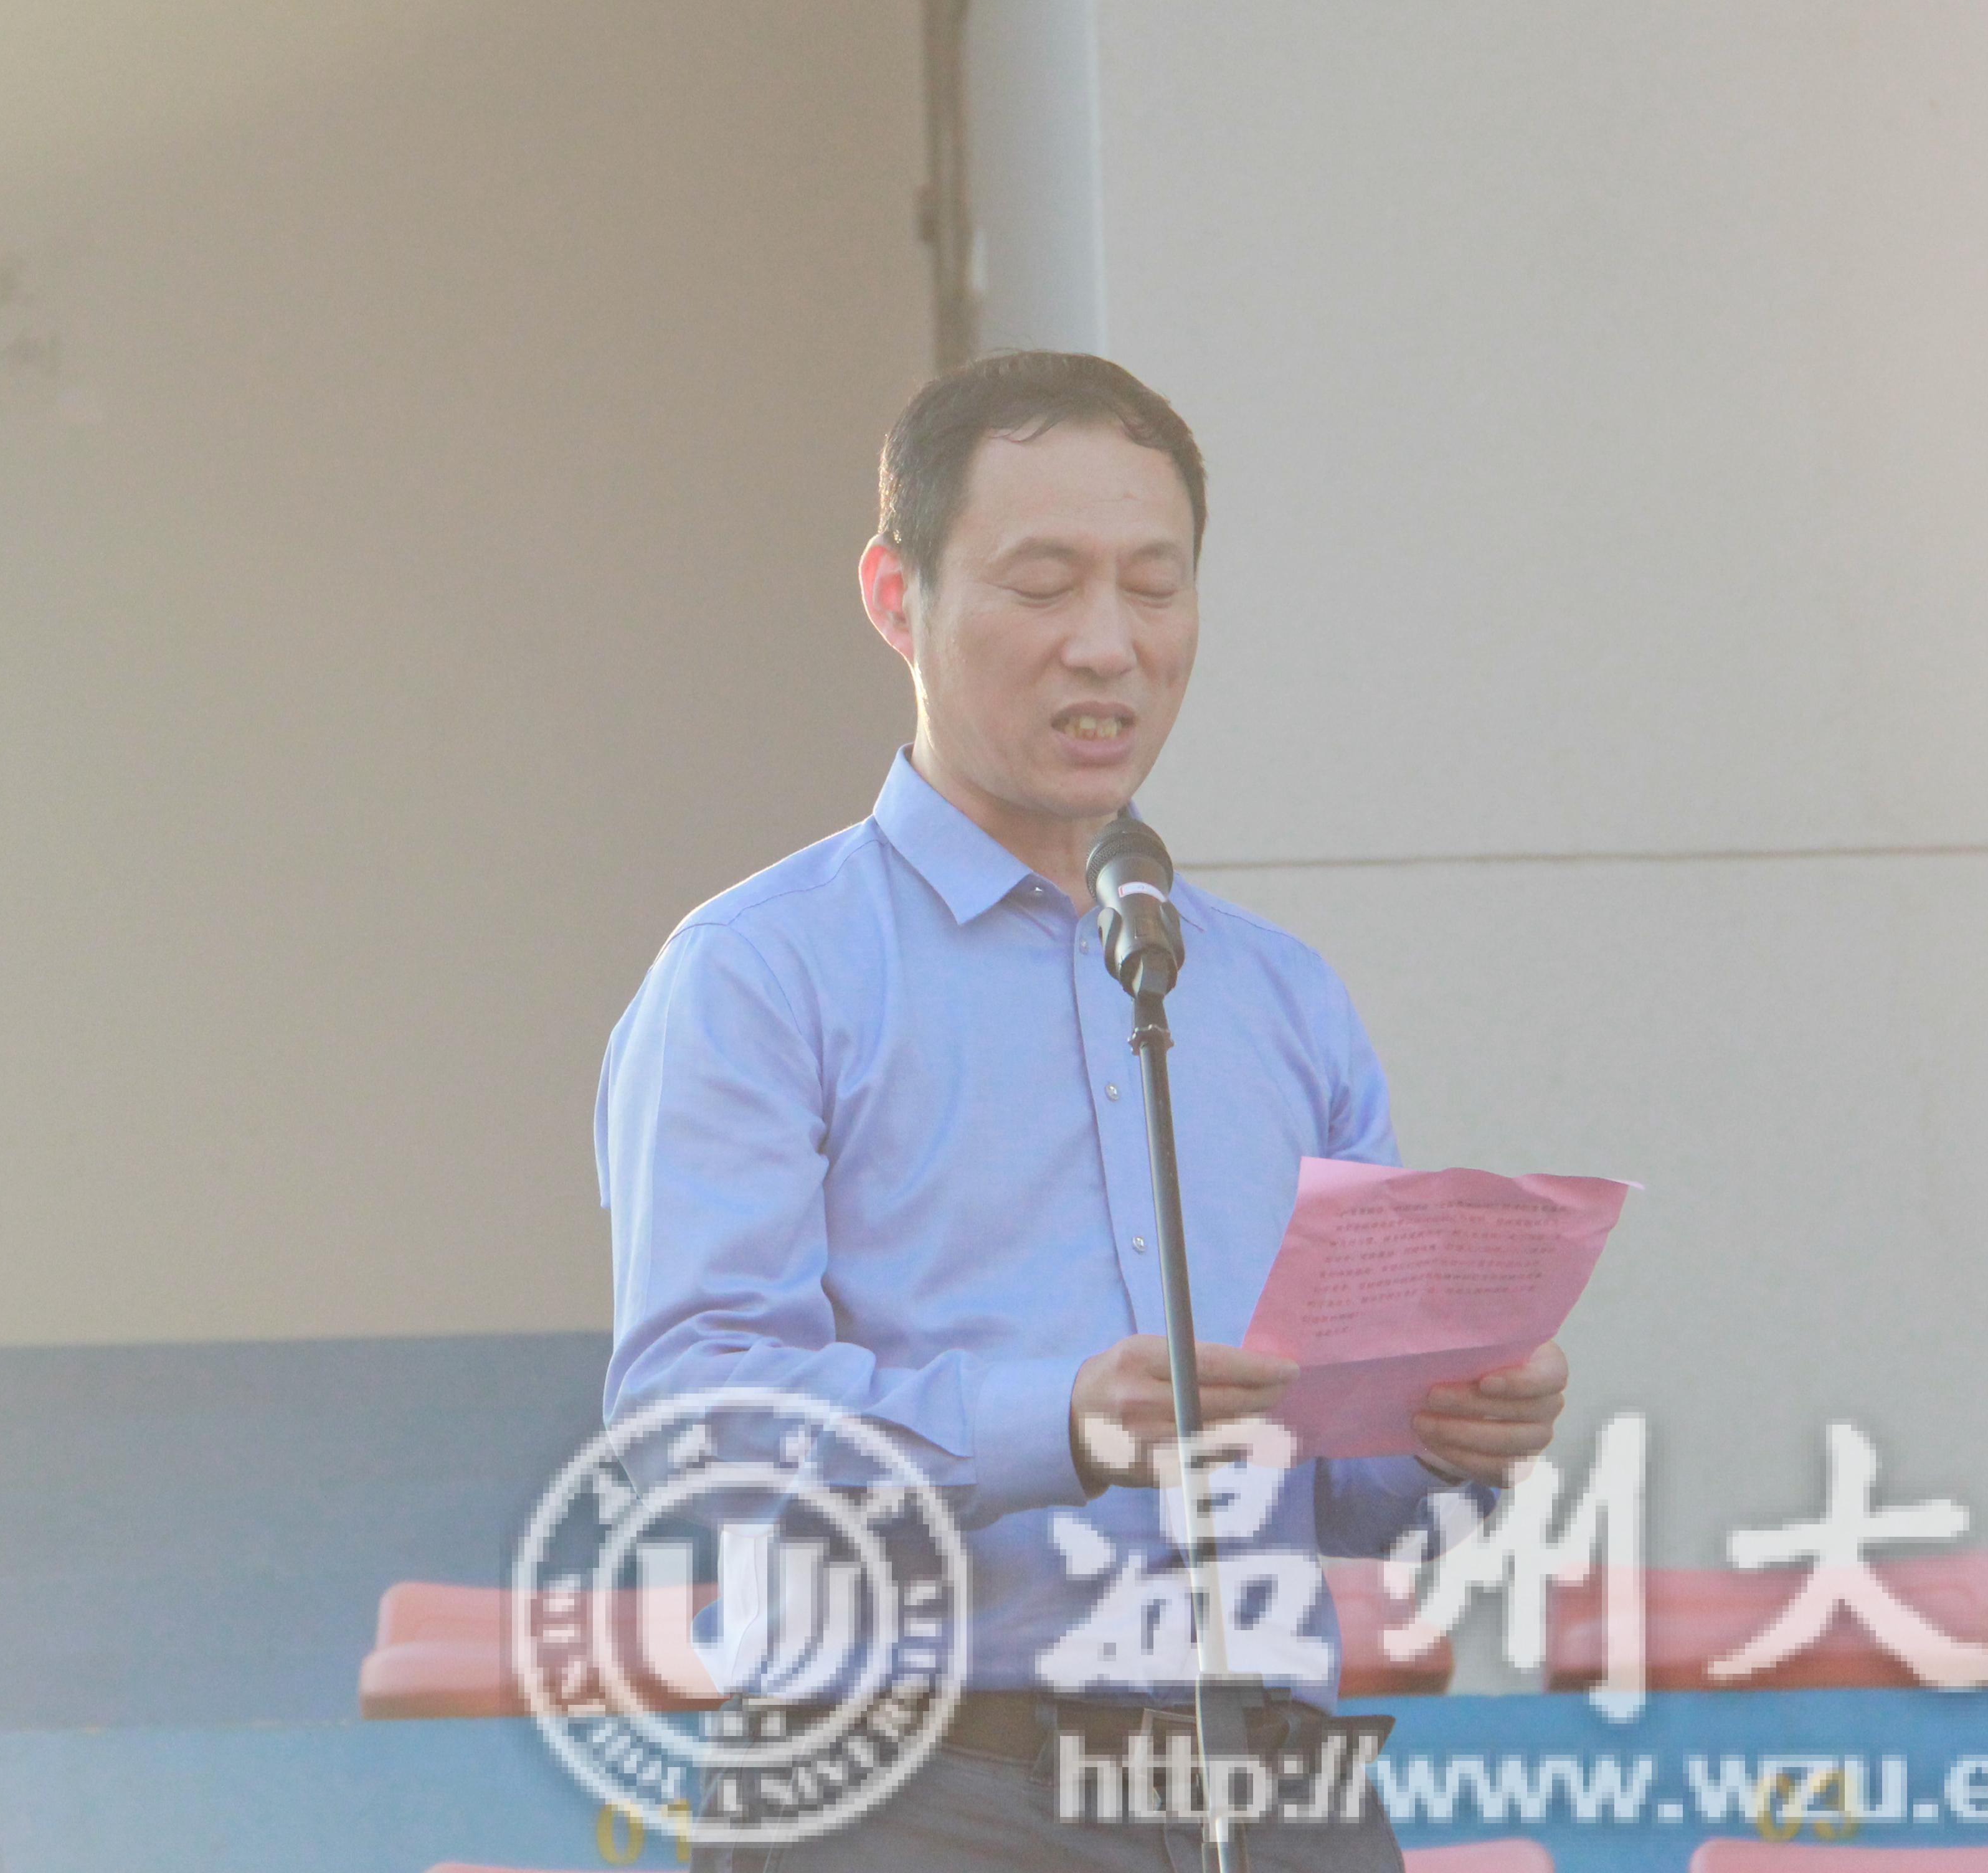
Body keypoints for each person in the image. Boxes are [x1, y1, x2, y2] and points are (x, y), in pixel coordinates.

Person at [597, 352, 1569, 1869]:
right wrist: (1051, 1425)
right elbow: (690, 1424)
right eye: (1044, 584)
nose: (1109, 645)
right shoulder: (764, 973)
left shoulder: (1281, 997)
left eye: (1155, 587)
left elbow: (1360, 1503)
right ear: (896, 598)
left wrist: (1454, 1439)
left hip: (1276, 1788)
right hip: (916, 1790)